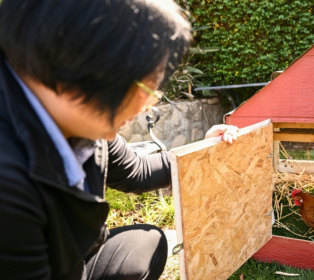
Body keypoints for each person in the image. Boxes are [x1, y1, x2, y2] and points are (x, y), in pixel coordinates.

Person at [0, 0, 239, 279]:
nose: (147, 105)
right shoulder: (8, 184)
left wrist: (200, 150)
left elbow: (136, 172)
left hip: (69, 260)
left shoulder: (78, 121)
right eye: (145, 88)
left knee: (146, 243)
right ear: (80, 62)